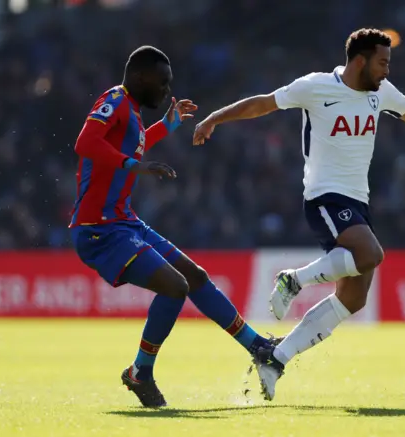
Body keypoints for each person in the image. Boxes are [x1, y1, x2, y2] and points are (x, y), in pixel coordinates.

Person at [193, 28, 405, 401]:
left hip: (357, 202)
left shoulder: (380, 93)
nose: (388, 70)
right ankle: (293, 280)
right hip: (324, 197)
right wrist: (214, 117)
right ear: (361, 60)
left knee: (353, 300)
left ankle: (275, 358)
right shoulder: (316, 86)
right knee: (371, 255)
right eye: (383, 62)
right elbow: (263, 103)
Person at [69, 45, 277, 408]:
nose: (166, 92)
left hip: (124, 221)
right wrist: (133, 167)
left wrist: (166, 126)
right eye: (162, 84)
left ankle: (257, 347)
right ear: (140, 77)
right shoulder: (114, 100)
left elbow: (134, 143)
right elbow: (85, 142)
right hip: (98, 230)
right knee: (174, 287)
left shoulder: (130, 111)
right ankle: (141, 372)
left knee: (194, 276)